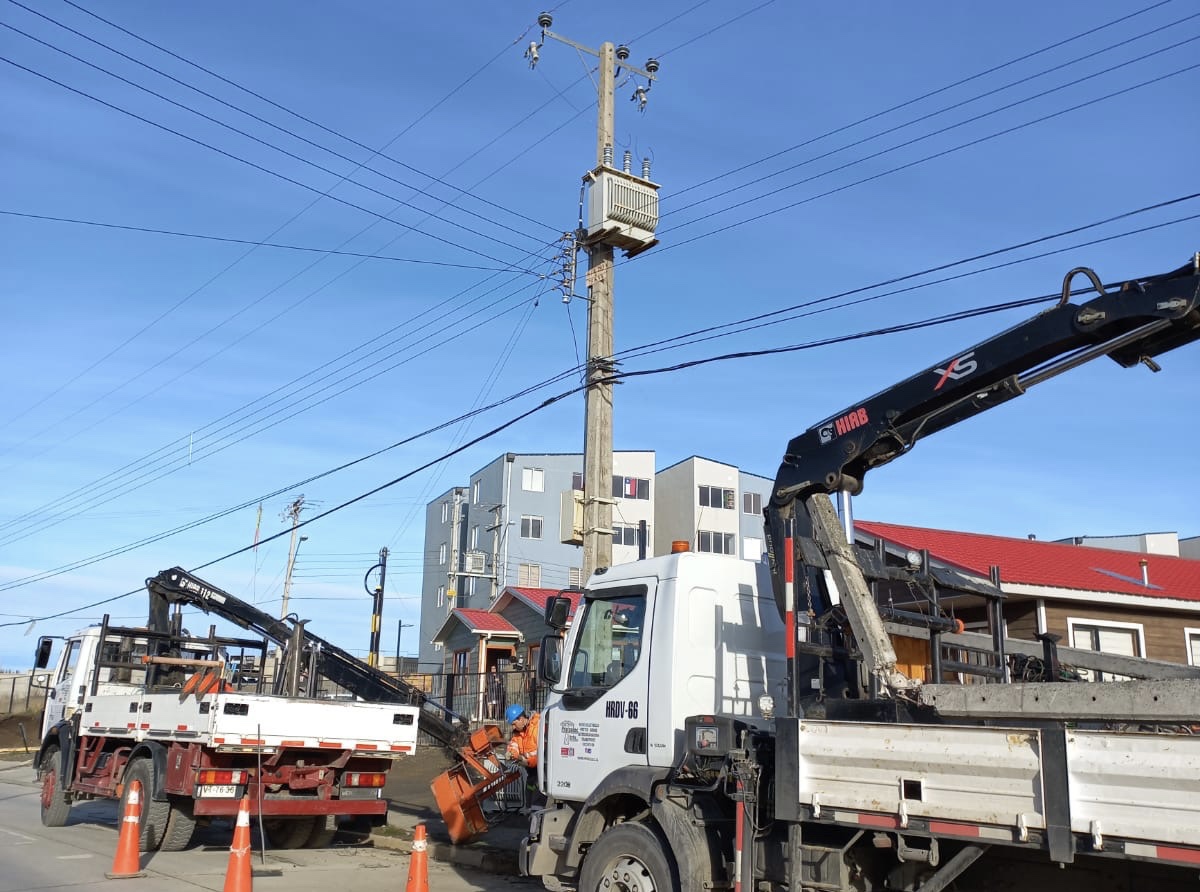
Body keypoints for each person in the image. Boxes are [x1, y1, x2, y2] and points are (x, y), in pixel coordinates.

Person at [505, 704, 543, 810]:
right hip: (532, 773)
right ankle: (530, 814)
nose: (513, 727)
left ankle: (535, 820)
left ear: (521, 719)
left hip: (542, 773)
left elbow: (543, 753)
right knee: (530, 802)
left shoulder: (538, 727)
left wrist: (526, 761)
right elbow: (514, 745)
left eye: (514, 724)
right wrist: (512, 753)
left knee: (537, 804)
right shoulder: (519, 733)